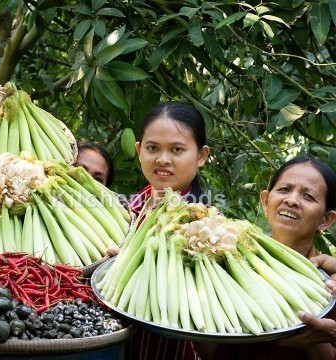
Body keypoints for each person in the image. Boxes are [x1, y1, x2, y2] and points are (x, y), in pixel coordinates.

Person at [198, 155, 336, 360]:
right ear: (265, 201)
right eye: (284, 189)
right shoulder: (225, 261)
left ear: (326, 220)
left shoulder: (328, 286)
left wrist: (315, 335)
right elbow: (210, 348)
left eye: (308, 196)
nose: (291, 200)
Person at [111, 101, 209, 359]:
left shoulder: (209, 229)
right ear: (138, 150)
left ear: (201, 156)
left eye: (177, 149)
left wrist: (128, 261)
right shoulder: (124, 212)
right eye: (152, 148)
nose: (162, 159)